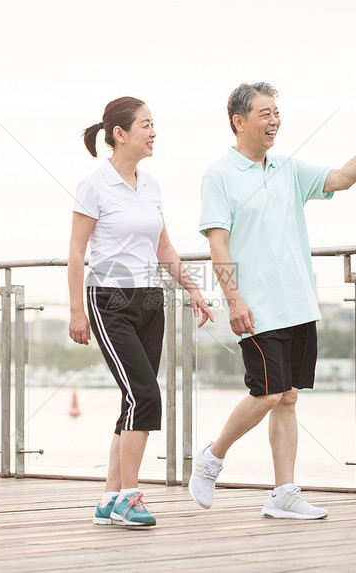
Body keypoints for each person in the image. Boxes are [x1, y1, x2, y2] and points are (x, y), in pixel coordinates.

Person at [190, 82, 356, 519]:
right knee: (267, 393)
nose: (274, 121)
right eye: (265, 114)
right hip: (255, 306)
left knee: (288, 397)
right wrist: (233, 300)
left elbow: (342, 179)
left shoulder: (288, 168)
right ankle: (211, 458)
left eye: (277, 112)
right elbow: (219, 245)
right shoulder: (219, 175)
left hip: (299, 303)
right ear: (239, 122)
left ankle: (283, 494)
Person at [68, 96, 213, 527]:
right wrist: (77, 311)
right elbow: (77, 253)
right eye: (146, 125)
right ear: (120, 134)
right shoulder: (93, 186)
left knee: (133, 400)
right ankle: (131, 498)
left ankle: (109, 499)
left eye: (154, 125)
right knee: (144, 396)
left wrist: (194, 291)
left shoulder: (151, 186)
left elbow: (163, 247)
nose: (153, 133)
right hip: (109, 300)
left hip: (150, 299)